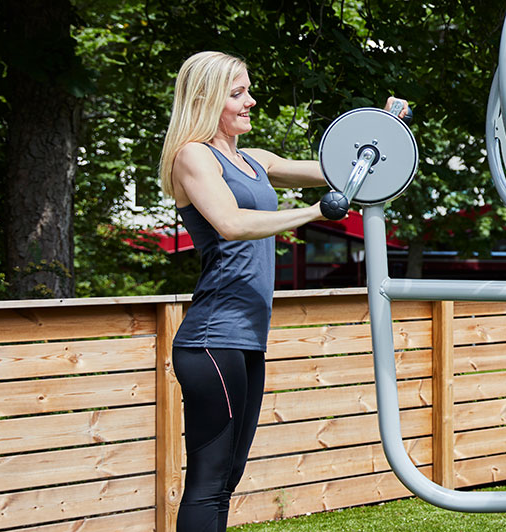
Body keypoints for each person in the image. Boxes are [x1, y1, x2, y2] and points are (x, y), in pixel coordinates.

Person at [156, 50, 407, 531]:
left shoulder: (254, 160)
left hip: (246, 340)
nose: (251, 100)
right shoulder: (193, 156)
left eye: (248, 90)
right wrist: (316, 212)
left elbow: (346, 168)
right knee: (208, 482)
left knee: (226, 478)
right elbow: (231, 223)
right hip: (212, 340)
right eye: (238, 93)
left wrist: (385, 128)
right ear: (207, 98)